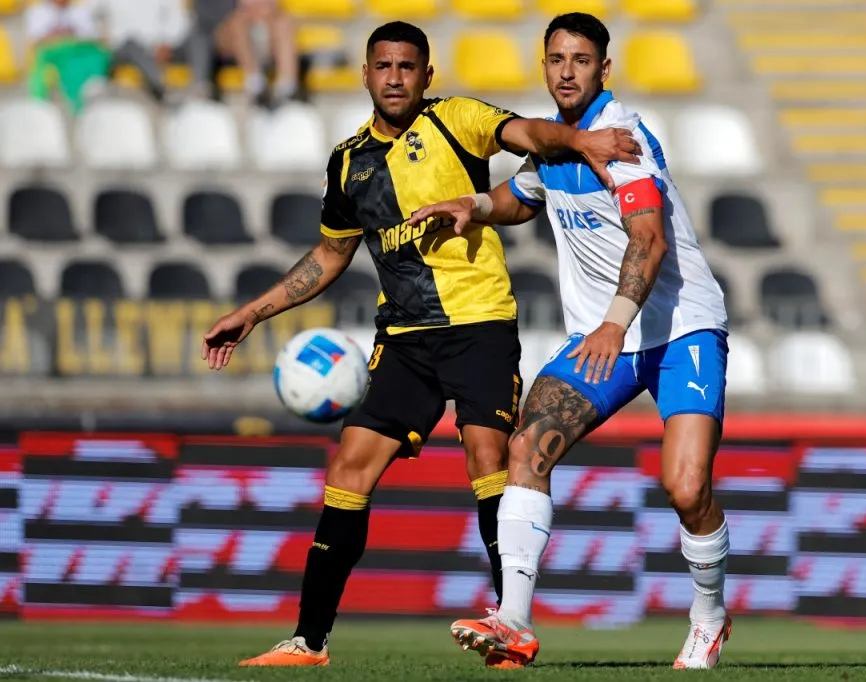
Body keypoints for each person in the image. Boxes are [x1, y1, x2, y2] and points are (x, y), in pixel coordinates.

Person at [200, 20, 641, 667]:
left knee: (487, 455)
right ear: (367, 74)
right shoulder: (349, 162)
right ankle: (308, 641)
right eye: (385, 67)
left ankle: (508, 627)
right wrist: (253, 313)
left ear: (426, 75)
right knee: (349, 467)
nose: (396, 78)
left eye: (409, 67)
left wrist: (579, 139)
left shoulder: (456, 120)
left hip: (479, 324)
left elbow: (527, 133)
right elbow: (329, 256)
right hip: (404, 336)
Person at [410, 12, 731, 671]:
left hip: (679, 328)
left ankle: (709, 614)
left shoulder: (624, 141)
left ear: (602, 69)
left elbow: (650, 239)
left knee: (686, 487)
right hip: (604, 334)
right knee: (526, 445)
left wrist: (615, 321)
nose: (565, 70)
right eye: (556, 58)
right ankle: (515, 621)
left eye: (580, 59)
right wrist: (472, 205)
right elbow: (523, 197)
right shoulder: (555, 148)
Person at [90, 0, 190, 103]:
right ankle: (161, 87)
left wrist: (167, 43)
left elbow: (177, 20)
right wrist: (103, 34)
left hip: (155, 48)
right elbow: (94, 16)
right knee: (132, 44)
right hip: (121, 47)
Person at [26, 0, 110, 114]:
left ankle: (94, 91)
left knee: (97, 55)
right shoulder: (37, 11)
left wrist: (69, 37)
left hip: (79, 52)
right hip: (54, 54)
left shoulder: (82, 10)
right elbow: (37, 42)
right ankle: (79, 103)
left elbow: (90, 39)